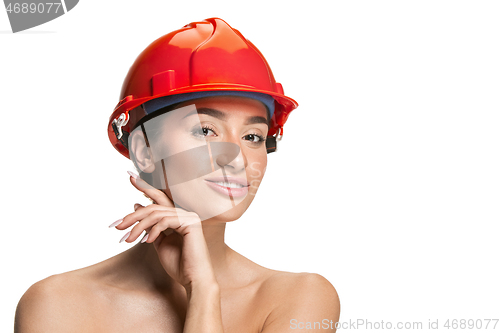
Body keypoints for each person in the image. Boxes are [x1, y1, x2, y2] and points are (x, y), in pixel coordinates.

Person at [14, 17, 340, 332]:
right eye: (206, 130)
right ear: (143, 149)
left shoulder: (299, 298)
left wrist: (202, 291)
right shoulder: (57, 304)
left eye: (253, 136)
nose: (238, 158)